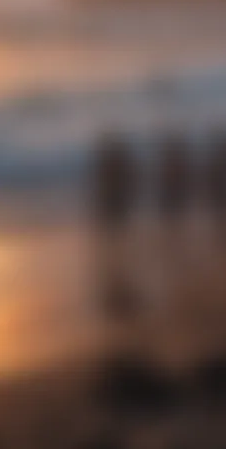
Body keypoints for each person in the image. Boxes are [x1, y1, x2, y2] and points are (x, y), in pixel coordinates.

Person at [90, 131, 140, 315]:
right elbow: (106, 183)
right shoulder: (113, 163)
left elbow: (122, 182)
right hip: (114, 201)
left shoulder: (114, 163)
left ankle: (117, 263)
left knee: (116, 231)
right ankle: (116, 261)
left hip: (115, 201)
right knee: (115, 232)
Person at [158, 131, 194, 223]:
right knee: (173, 213)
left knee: (176, 213)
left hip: (175, 193)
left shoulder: (175, 164)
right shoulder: (170, 164)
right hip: (172, 193)